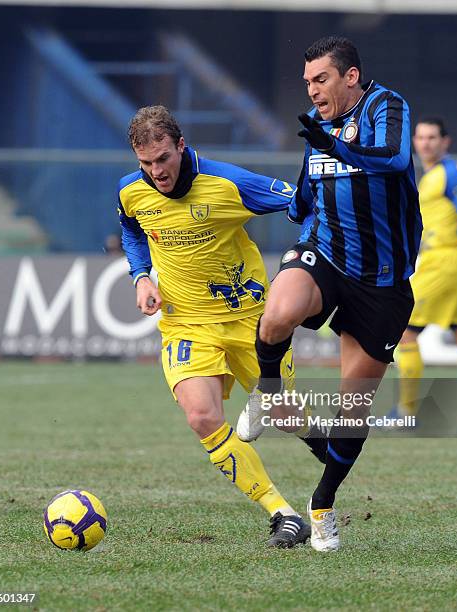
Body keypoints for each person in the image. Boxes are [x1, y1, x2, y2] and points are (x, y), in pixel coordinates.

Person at [237, 36, 422, 552]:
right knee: (277, 315)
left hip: (382, 282)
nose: (312, 90)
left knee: (352, 409)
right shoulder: (317, 129)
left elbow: (393, 158)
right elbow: (304, 194)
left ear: (351, 77)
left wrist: (334, 146)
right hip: (326, 254)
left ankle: (322, 504)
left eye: (321, 79)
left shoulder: (387, 106)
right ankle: (269, 393)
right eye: (307, 82)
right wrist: (266, 201)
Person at [117, 105, 311, 547]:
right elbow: (131, 228)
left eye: (163, 158)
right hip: (186, 323)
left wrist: (301, 263)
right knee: (202, 416)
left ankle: (331, 471)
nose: (156, 172)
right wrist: (141, 275)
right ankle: (282, 513)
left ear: (181, 146)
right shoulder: (132, 190)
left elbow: (302, 202)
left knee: (288, 417)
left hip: (250, 321)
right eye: (145, 163)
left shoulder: (228, 183)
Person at [391, 117, 457, 434]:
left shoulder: (449, 174)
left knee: (406, 333)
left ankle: (405, 414)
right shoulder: (431, 176)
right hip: (456, 262)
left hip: (444, 261)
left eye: (432, 138)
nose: (425, 143)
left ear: (445, 142)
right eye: (421, 137)